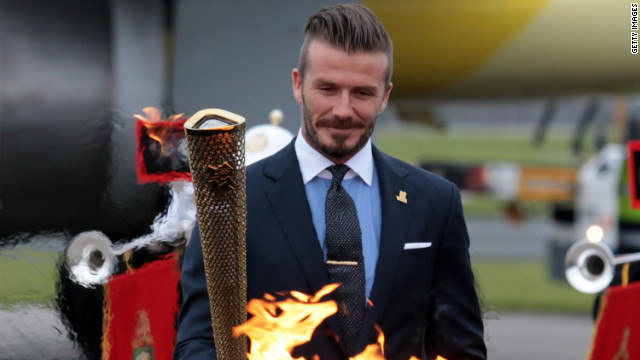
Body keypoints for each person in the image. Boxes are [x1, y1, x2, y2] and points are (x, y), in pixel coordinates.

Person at [174, 4, 487, 360]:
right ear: (298, 85)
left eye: (362, 93)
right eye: (327, 88)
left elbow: (461, 347)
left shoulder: (434, 201)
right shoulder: (233, 201)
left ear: (385, 96)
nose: (343, 110)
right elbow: (196, 343)